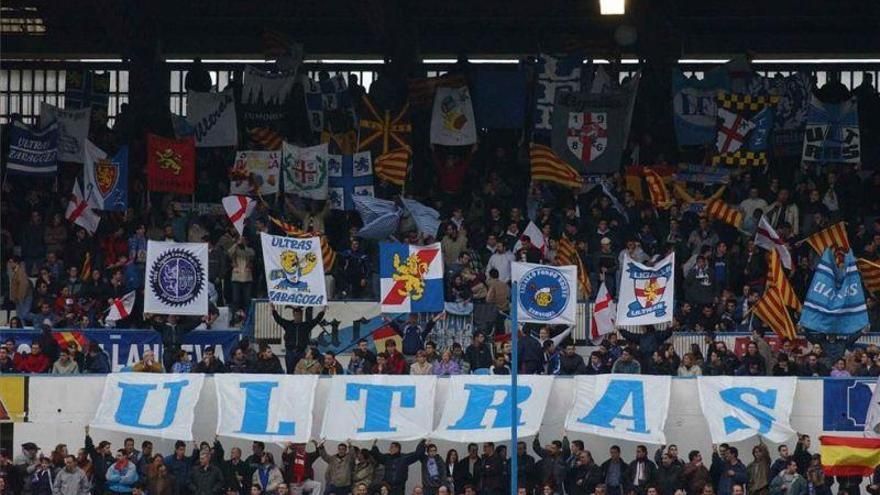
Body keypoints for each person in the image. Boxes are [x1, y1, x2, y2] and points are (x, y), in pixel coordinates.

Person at [271, 304, 326, 372]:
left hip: (301, 352)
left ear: (302, 315)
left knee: (302, 371)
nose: (298, 316)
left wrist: (323, 311)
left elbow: (316, 320)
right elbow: (278, 319)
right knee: (290, 371)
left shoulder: (306, 325)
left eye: (300, 315)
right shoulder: (288, 324)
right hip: (290, 352)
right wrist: (273, 310)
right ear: (293, 315)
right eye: (296, 314)